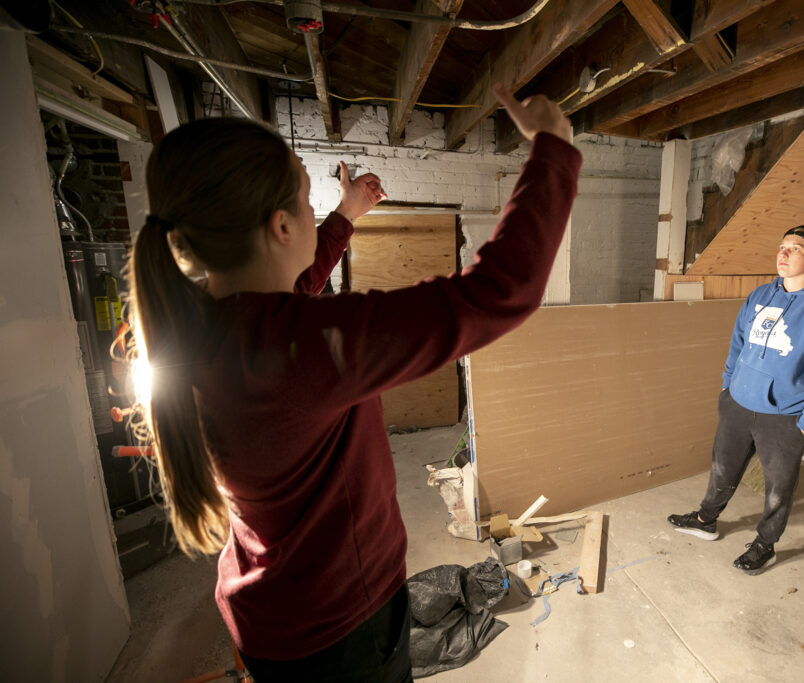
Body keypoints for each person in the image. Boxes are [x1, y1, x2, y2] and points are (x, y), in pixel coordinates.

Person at [127, 83, 579, 681]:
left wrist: (343, 216)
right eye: (309, 201)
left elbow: (286, 295)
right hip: (342, 632)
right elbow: (499, 292)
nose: (317, 212)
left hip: (265, 615)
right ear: (281, 227)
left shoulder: (199, 326)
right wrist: (552, 149)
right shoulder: (307, 348)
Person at [668, 225, 804, 575]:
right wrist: (728, 387)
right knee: (723, 468)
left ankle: (765, 543)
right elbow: (738, 343)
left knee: (777, 488)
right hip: (738, 404)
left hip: (785, 418)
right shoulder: (760, 296)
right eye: (782, 246)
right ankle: (705, 519)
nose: (783, 254)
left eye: (795, 249)